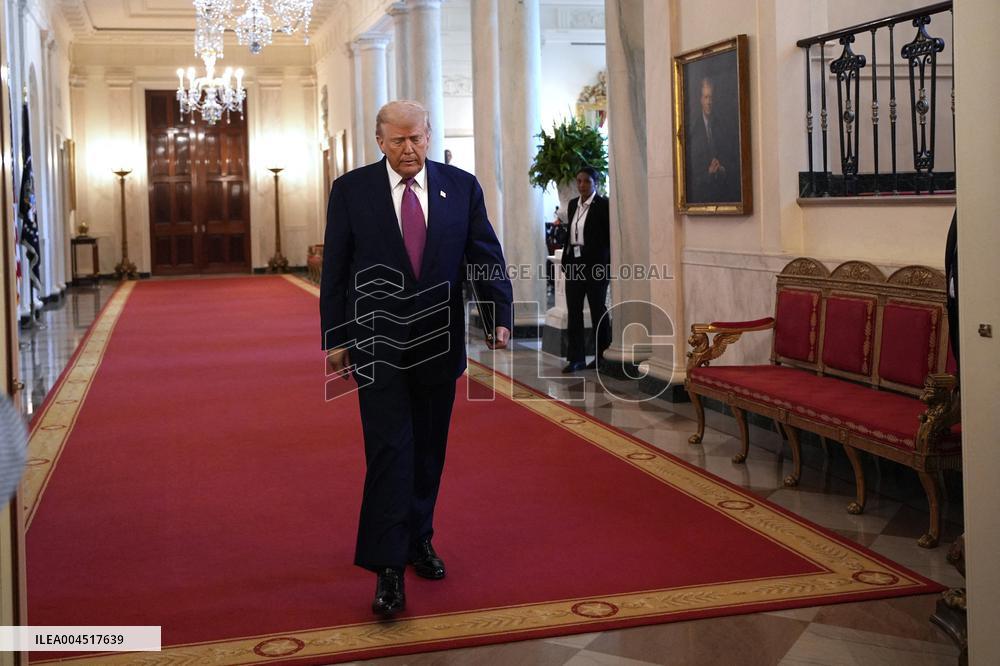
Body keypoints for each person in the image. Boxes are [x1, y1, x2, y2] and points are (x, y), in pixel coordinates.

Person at [320, 100, 513, 617]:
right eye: (398, 140)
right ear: (379, 141)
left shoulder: (461, 187)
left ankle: (418, 540)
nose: (409, 149)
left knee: (429, 451)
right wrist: (335, 338)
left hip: (439, 343)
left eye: (417, 138)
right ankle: (386, 569)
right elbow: (335, 271)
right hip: (376, 345)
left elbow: (483, 253)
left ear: (429, 137)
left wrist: (499, 312)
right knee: (389, 451)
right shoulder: (351, 192)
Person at [560, 166, 611, 373]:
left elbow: (608, 238)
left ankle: (601, 356)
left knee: (598, 310)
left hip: (595, 266)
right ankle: (576, 358)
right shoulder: (573, 205)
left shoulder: (603, 205)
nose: (582, 185)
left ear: (595, 183)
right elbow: (570, 235)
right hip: (574, 264)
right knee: (574, 311)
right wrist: (565, 259)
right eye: (579, 181)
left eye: (587, 181)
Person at [687, 76, 740, 203]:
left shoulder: (722, 126)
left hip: (723, 193)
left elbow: (733, 159)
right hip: (702, 196)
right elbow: (691, 174)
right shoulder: (693, 131)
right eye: (706, 97)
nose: (709, 102)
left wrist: (722, 168)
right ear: (701, 100)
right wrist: (708, 172)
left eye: (711, 97)